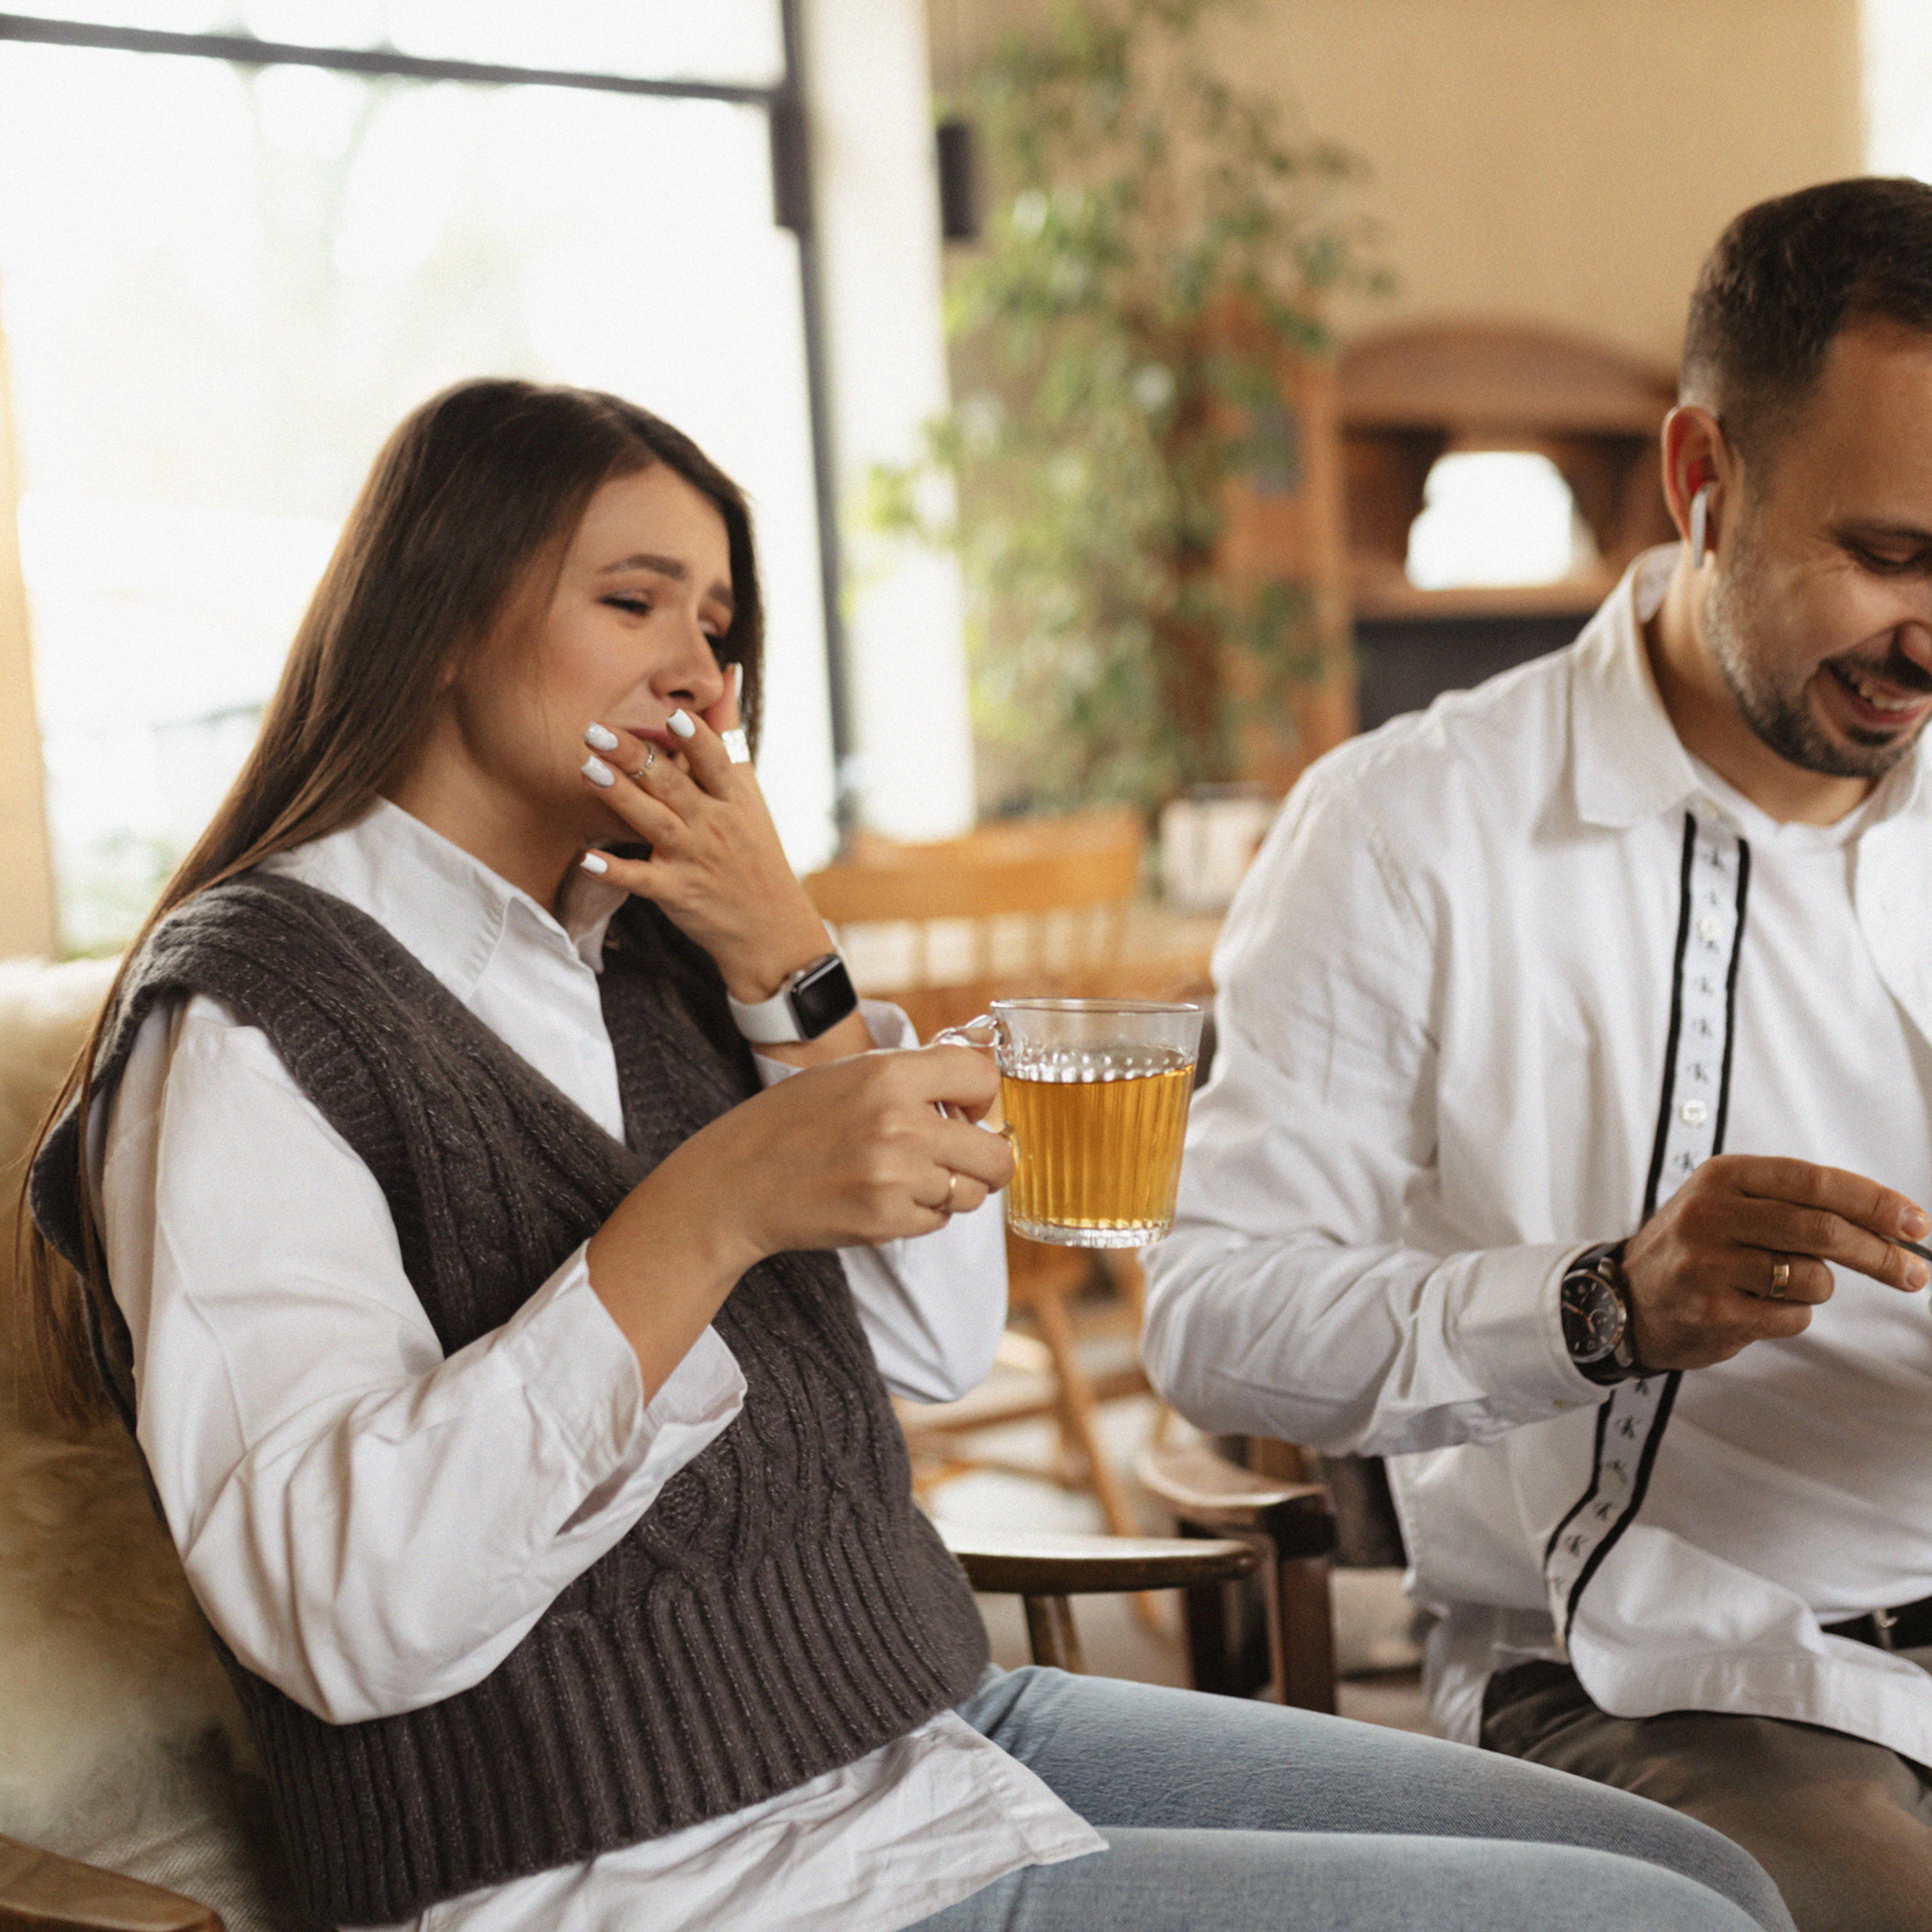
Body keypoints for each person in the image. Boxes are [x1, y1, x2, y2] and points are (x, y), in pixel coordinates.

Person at [23, 378, 1787, 1932]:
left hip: (907, 1730)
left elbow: (941, 1342)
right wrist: (710, 1208)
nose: (695, 669)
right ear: (433, 619)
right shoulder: (246, 1021)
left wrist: (792, 964)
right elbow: (341, 1612)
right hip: (643, 1867)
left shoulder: (653, 949)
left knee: (1707, 1872)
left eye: (719, 625)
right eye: (630, 600)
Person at [1140, 176, 1932, 1932]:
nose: (1926, 635)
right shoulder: (1407, 826)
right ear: (1700, 477)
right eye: (1887, 554)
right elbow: (1207, 1316)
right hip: (1656, 1677)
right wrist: (1603, 1302)